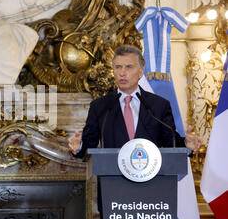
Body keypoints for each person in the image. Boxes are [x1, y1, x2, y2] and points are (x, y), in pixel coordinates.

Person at [68, 45, 202, 157]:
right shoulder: (100, 106)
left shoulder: (159, 105)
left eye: (129, 67)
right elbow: (88, 144)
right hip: (113, 181)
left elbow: (171, 143)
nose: (122, 73)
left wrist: (186, 145)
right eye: (118, 67)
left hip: (152, 181)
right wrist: (79, 146)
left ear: (141, 72)